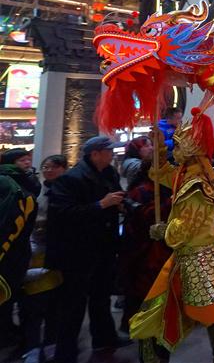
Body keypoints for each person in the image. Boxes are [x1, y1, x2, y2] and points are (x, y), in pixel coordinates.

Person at [130, 114, 214, 363]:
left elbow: (182, 230)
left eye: (176, 145)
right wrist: (157, 147)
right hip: (189, 258)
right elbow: (161, 173)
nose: (174, 150)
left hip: (197, 260)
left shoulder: (195, 184)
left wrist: (161, 230)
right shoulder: (188, 174)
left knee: (210, 314)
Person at [47, 136, 130, 363]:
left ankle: (104, 337)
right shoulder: (71, 179)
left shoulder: (109, 174)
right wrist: (100, 205)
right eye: (108, 151)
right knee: (73, 304)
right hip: (78, 251)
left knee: (101, 296)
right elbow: (63, 215)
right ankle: (66, 351)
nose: (112, 155)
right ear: (95, 154)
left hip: (103, 247)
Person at [117, 144, 172, 332]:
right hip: (143, 249)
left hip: (159, 247)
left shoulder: (163, 188)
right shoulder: (141, 190)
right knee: (141, 288)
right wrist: (168, 205)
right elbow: (144, 216)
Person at [20, 155, 67, 363]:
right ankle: (32, 346)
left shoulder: (67, 191)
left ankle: (50, 343)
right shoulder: (36, 191)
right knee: (33, 306)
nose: (48, 170)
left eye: (53, 167)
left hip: (58, 253)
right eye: (45, 167)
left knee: (54, 306)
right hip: (35, 252)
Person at [0, 148, 40, 349]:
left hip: (15, 251)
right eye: (23, 160)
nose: (27, 163)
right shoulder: (11, 185)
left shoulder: (17, 182)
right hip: (11, 253)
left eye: (28, 159)